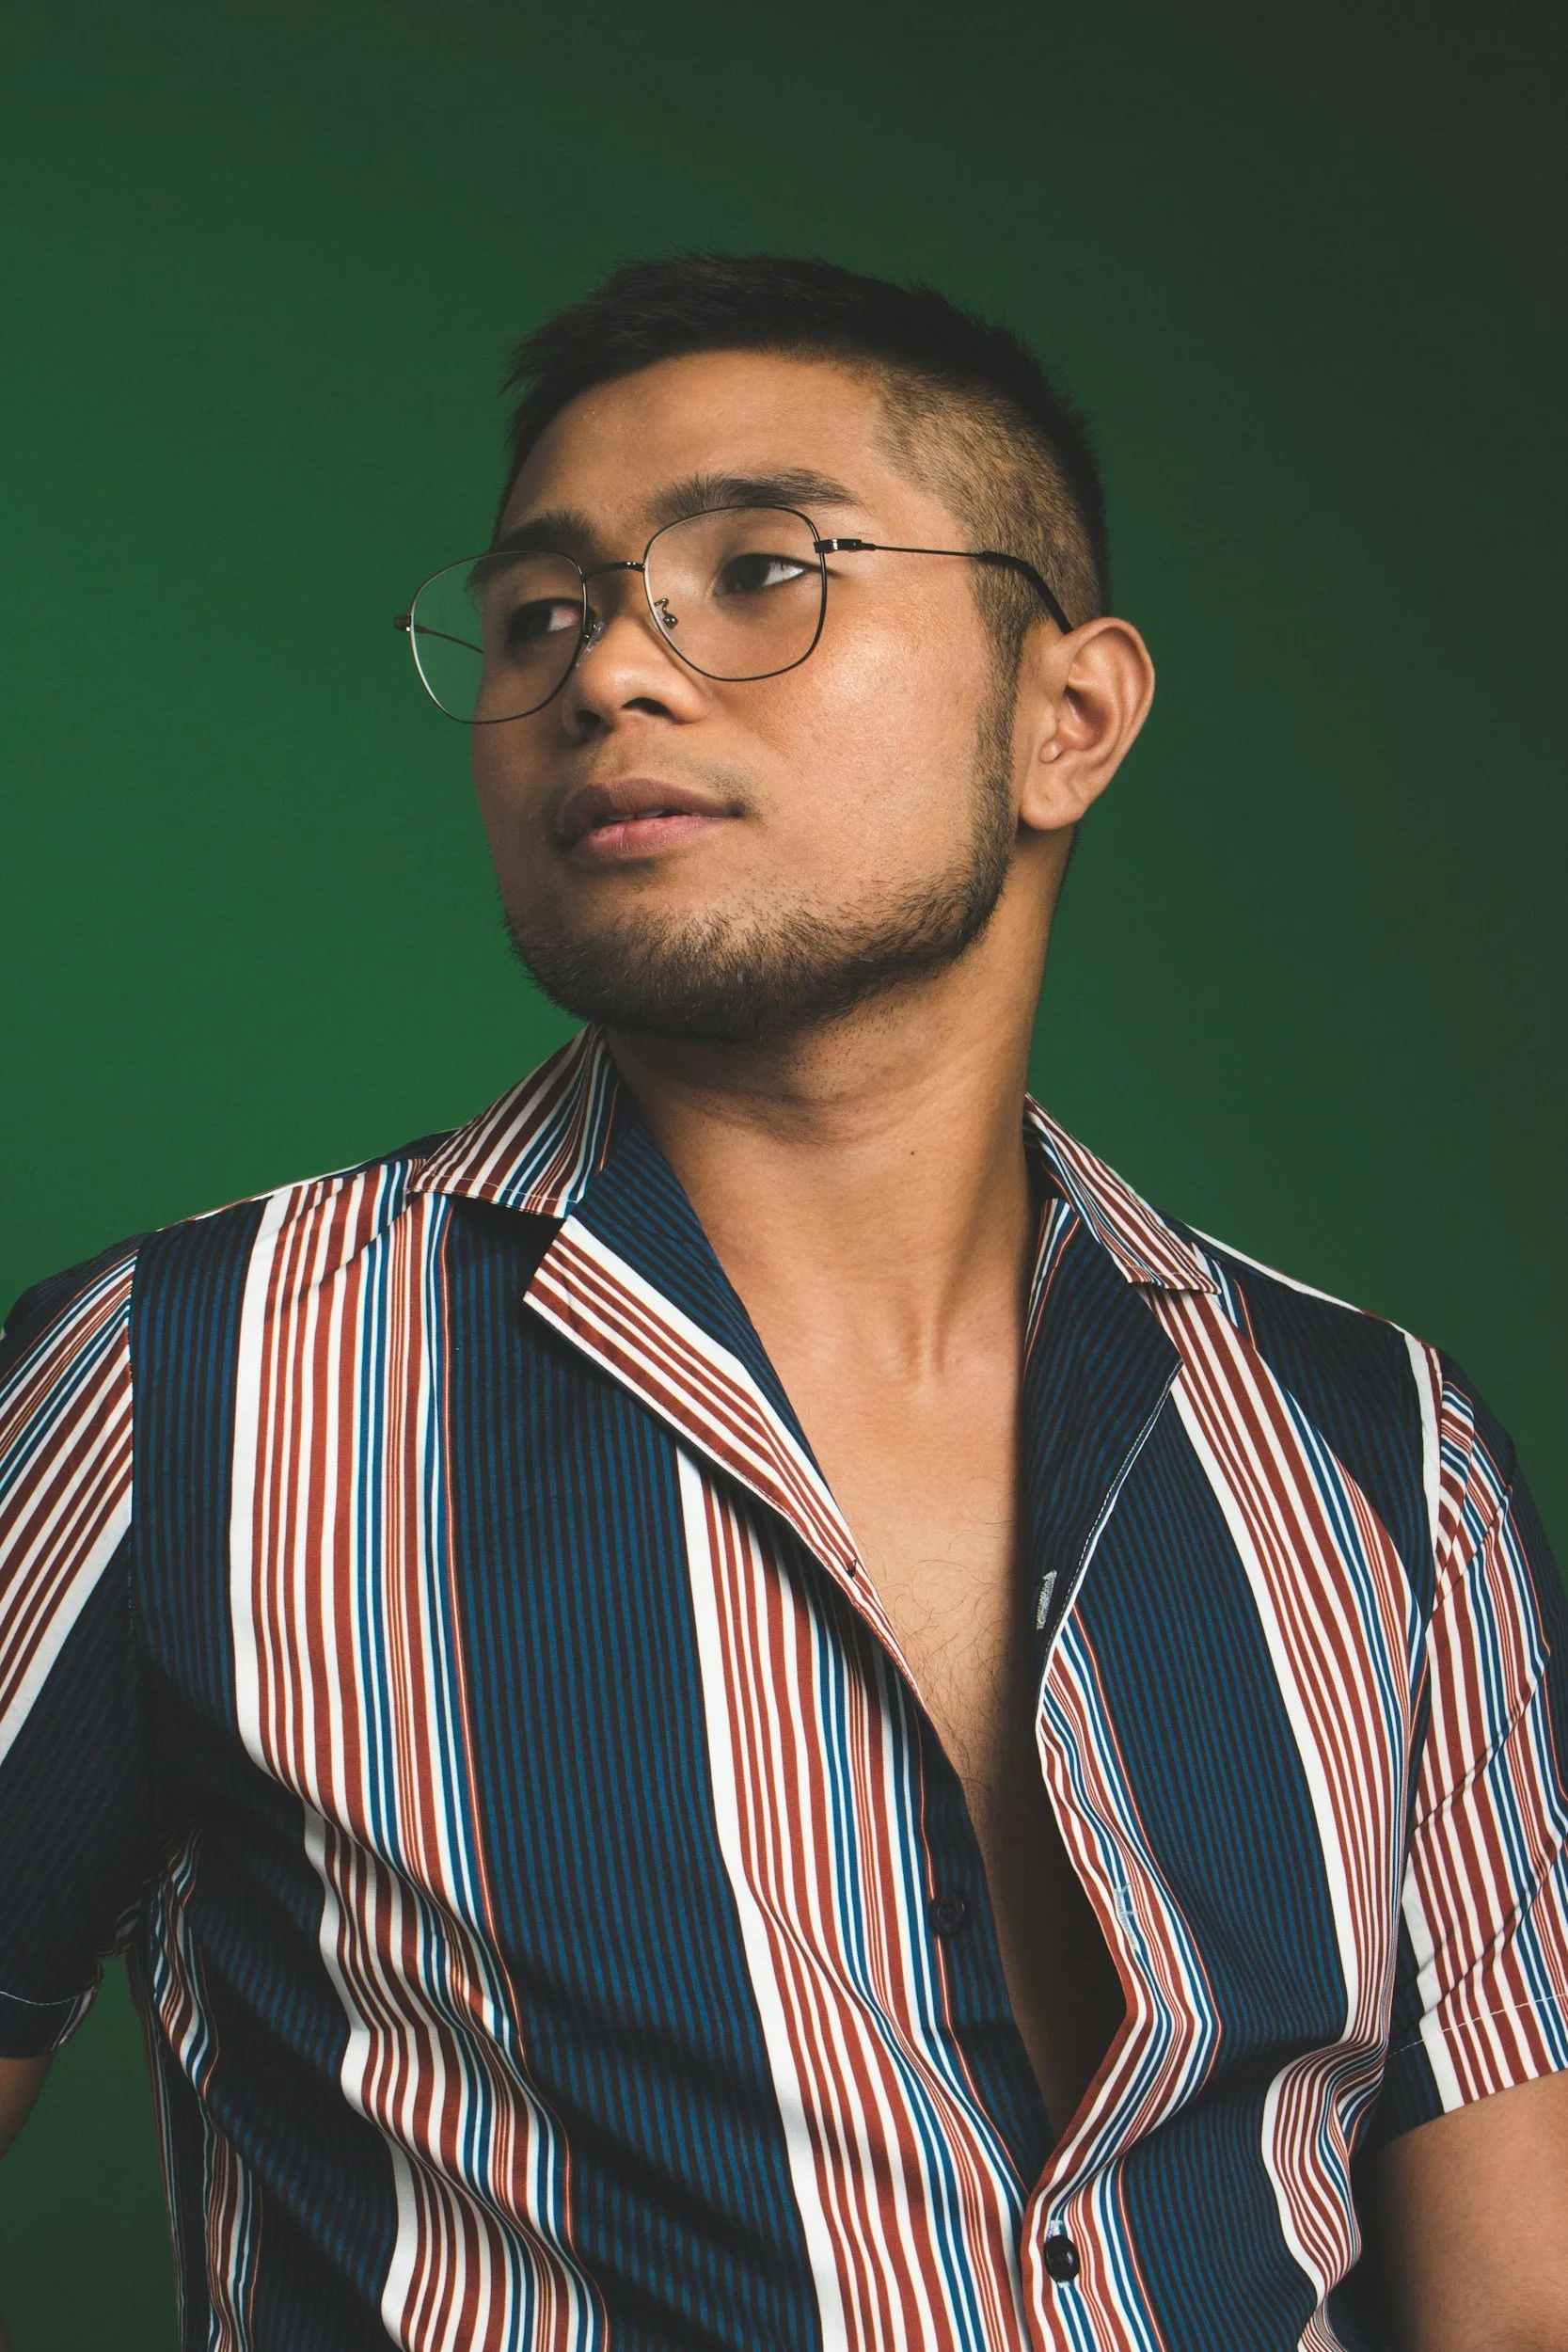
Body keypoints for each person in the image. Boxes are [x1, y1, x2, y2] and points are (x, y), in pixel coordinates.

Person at [1, 254, 1563, 2352]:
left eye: (758, 570)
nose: (609, 671)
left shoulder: (1383, 1448)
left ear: (1065, 716)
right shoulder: (177, 1388)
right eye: (541, 609)